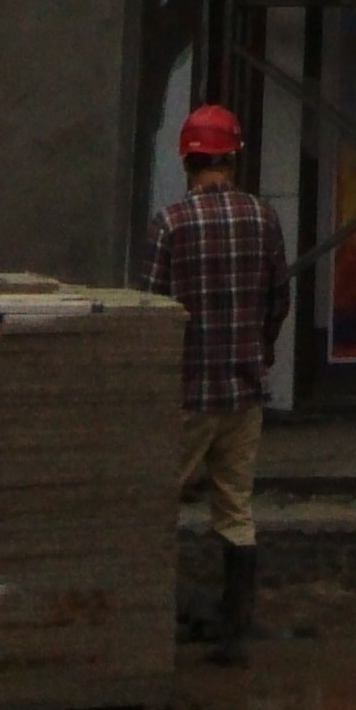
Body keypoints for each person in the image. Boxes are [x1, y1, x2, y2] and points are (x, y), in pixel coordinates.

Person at [143, 103, 292, 665]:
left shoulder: (170, 225)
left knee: (158, 502)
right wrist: (260, 351)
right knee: (236, 508)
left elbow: (154, 312)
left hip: (188, 392)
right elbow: (280, 299)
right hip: (244, 390)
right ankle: (234, 631)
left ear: (188, 159)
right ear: (232, 159)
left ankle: (151, 619)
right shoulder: (263, 219)